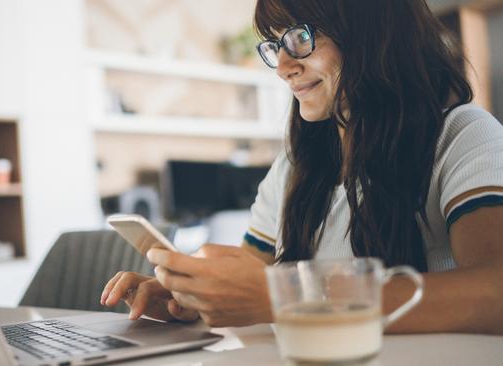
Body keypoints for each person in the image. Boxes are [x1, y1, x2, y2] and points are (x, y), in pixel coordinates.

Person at [101, 0, 503, 334]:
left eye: (300, 37)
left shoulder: (462, 135)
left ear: (372, 32)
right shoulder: (295, 164)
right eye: (276, 44)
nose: (282, 66)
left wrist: (290, 297)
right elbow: (251, 280)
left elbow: (494, 293)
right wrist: (191, 297)